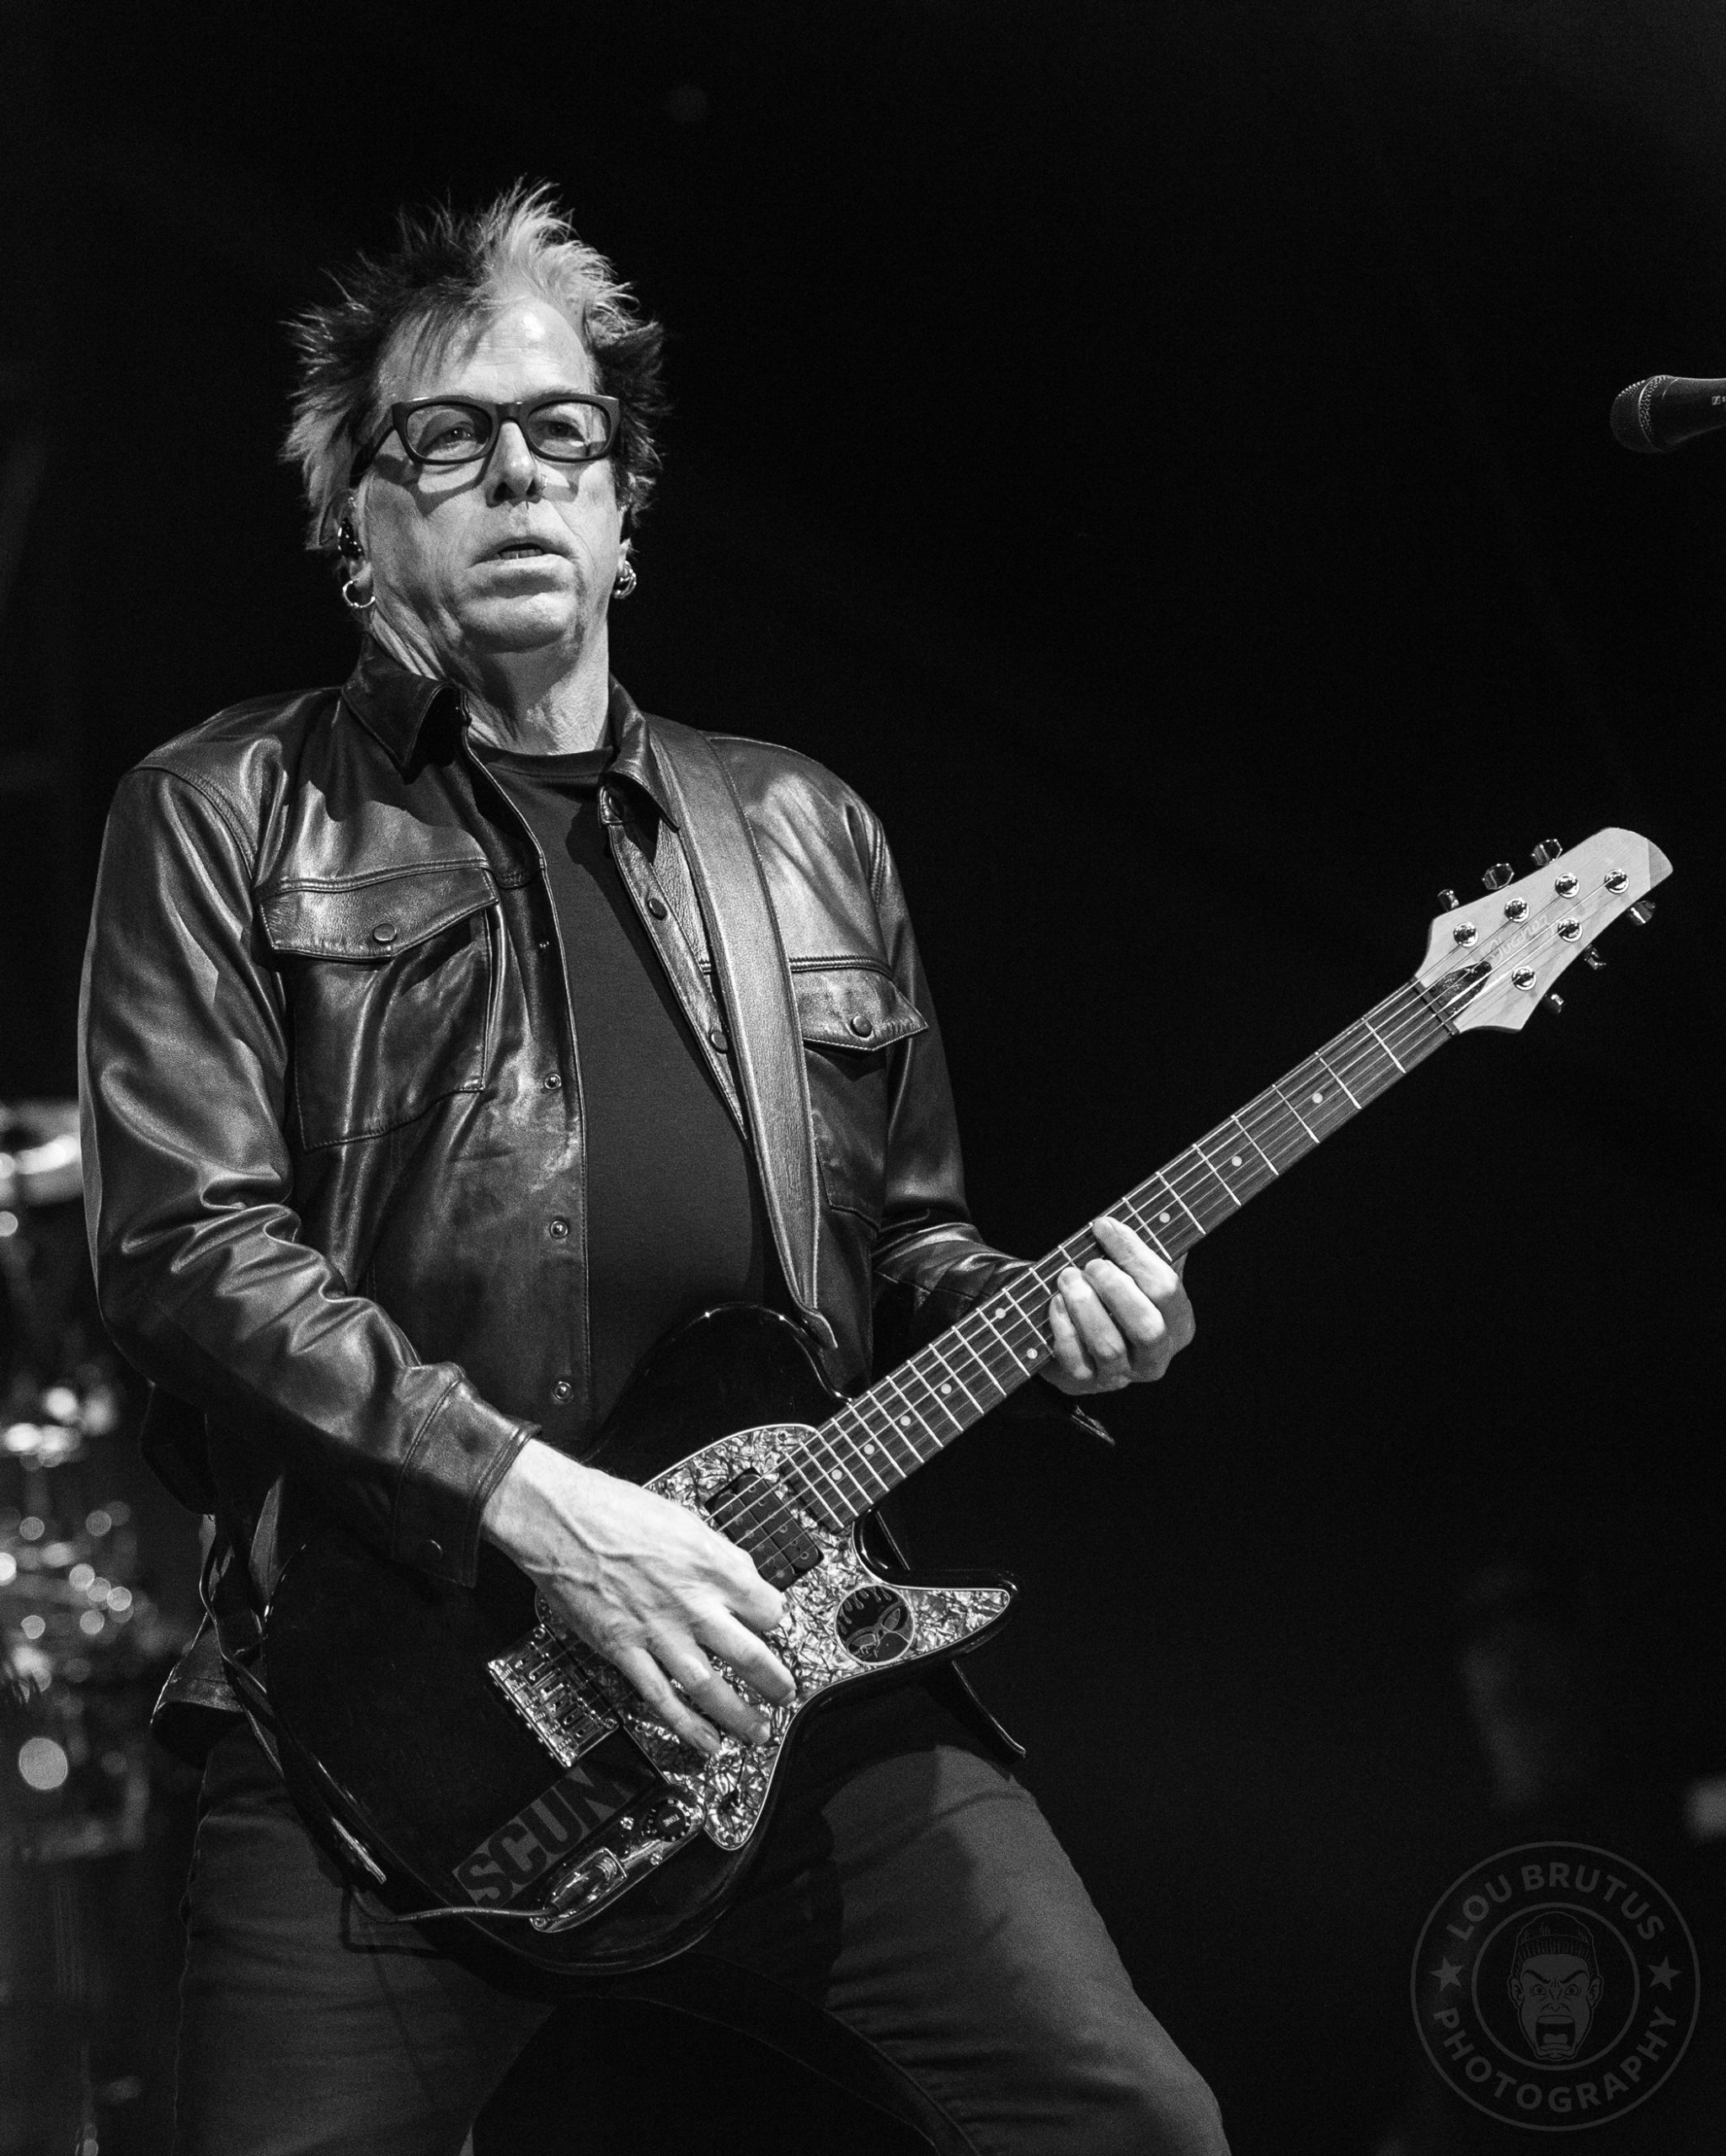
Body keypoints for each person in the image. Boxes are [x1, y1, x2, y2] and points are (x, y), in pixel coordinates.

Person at [78, 185, 1226, 2155]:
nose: (518, 471)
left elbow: (914, 1234)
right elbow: (186, 1247)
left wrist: (1051, 1315)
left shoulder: (799, 828)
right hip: (390, 1693)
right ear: (355, 523)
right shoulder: (225, 812)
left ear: (626, 509)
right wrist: (540, 1507)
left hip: (783, 1643)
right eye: (447, 439)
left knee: (1125, 2115)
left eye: (563, 431)